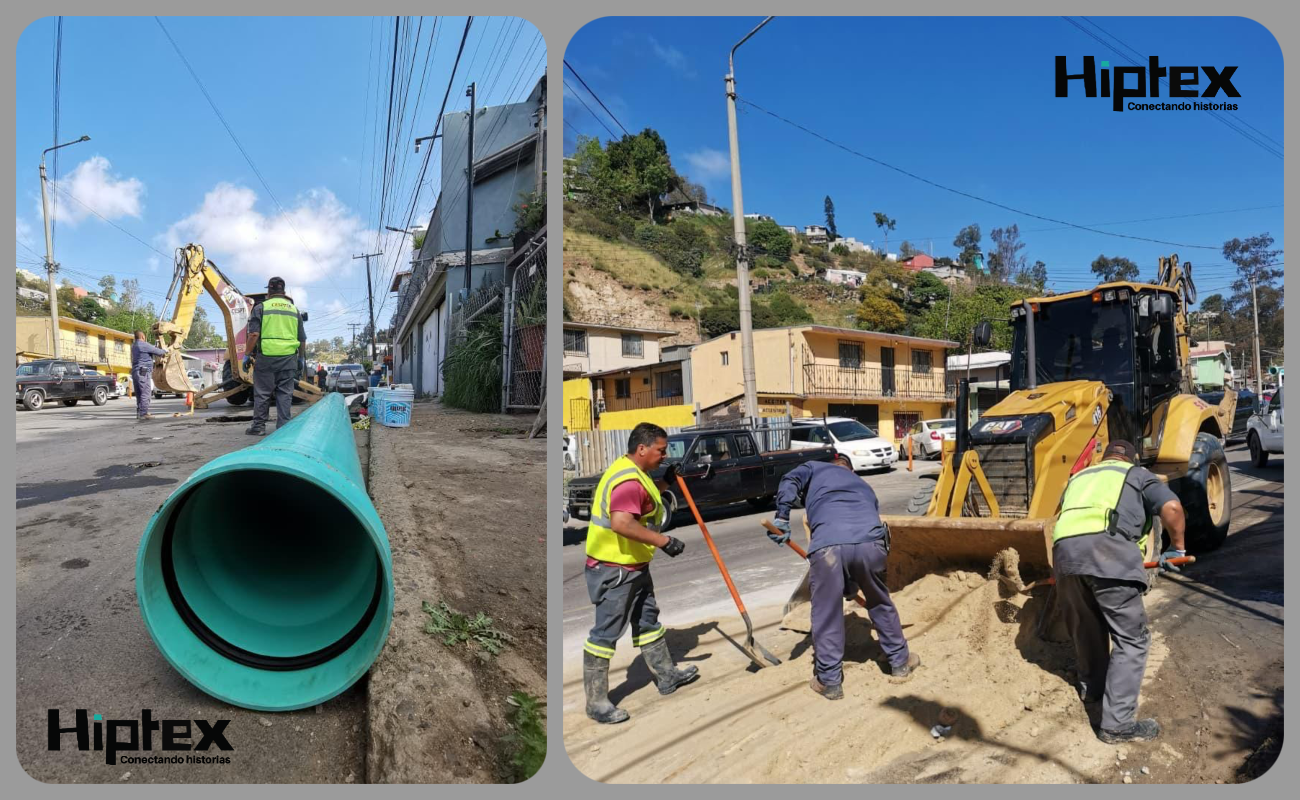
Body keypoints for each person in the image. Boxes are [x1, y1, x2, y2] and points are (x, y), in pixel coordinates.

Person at [1052, 439, 1187, 744]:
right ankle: (1117, 724)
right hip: (1108, 554)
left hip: (1064, 558)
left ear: (1105, 457)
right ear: (1132, 459)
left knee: (1086, 629)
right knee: (1131, 639)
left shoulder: (1079, 478)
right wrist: (1177, 547)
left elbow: (1061, 516)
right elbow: (1172, 507)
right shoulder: (1136, 475)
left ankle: (1092, 690)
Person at [769, 456, 920, 700]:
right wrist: (851, 582)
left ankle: (829, 681)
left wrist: (782, 517)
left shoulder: (815, 467)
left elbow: (790, 480)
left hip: (828, 548)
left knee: (826, 612)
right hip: (871, 547)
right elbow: (857, 536)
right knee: (880, 601)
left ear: (833, 463)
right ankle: (900, 662)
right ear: (850, 469)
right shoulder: (864, 486)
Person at [582, 422, 698, 724]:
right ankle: (596, 702)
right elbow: (622, 522)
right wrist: (664, 541)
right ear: (642, 449)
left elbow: (644, 504)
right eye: (661, 450)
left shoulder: (636, 474)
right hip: (615, 569)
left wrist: (666, 483)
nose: (664, 455)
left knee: (648, 621)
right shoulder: (628, 481)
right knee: (604, 634)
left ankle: (666, 675)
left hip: (633, 565)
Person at [244, 277, 307, 436]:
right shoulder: (294, 310)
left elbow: (254, 335)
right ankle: (284, 428)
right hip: (288, 359)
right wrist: (301, 358)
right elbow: (302, 338)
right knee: (285, 393)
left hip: (266, 357)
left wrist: (246, 355)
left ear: (269, 291)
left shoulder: (261, 308)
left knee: (262, 393)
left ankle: (258, 427)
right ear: (284, 292)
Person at [129, 330, 168, 421]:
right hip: (143, 371)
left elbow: (149, 350)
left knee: (139, 393)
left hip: (135, 371)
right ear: (143, 337)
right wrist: (165, 350)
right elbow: (159, 352)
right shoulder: (144, 345)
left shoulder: (134, 346)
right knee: (145, 392)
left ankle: (140, 412)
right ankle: (144, 413)